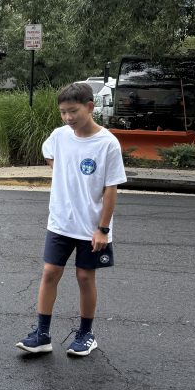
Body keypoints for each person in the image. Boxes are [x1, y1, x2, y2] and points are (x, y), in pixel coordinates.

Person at [17, 81, 127, 358]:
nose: (68, 118)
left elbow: (111, 189)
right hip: (60, 222)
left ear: (90, 107)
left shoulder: (107, 144)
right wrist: (64, 176)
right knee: (50, 273)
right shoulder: (59, 135)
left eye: (73, 111)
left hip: (92, 227)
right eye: (63, 112)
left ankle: (86, 335)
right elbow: (49, 155)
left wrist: (103, 229)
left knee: (84, 277)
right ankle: (41, 335)